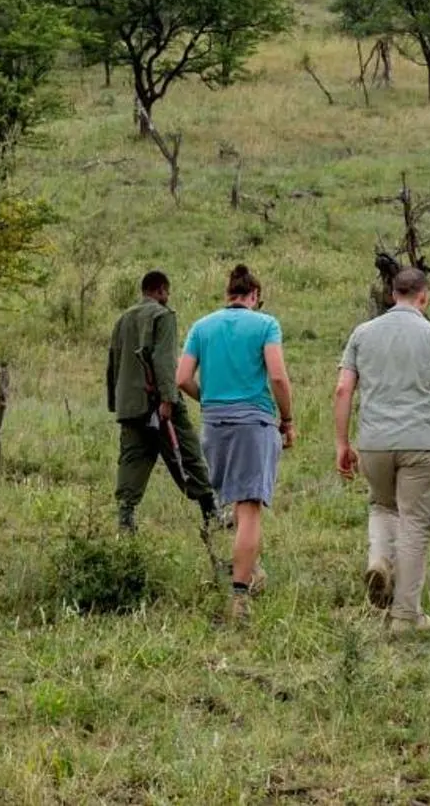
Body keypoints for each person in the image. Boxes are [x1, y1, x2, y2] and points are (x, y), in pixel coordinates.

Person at [332, 265, 430, 633]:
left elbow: (343, 389)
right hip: (420, 443)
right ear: (424, 296)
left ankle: (378, 559)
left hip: (373, 443)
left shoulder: (362, 333)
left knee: (382, 505)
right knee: (415, 524)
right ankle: (406, 615)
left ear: (393, 295)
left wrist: (343, 442)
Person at [178, 263, 295, 619]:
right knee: (249, 510)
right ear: (254, 296)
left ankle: (248, 569)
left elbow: (182, 378)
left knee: (229, 502)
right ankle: (240, 594)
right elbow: (277, 375)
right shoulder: (265, 324)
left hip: (214, 424)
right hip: (253, 422)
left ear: (228, 295)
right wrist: (287, 419)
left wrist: (210, 399)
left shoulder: (202, 326)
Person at [105, 269, 217, 535]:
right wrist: (168, 399)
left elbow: (113, 363)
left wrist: (116, 402)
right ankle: (211, 510)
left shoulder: (123, 319)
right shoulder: (162, 316)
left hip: (129, 405)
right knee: (188, 453)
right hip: (159, 401)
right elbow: (164, 360)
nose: (168, 297)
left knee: (132, 459)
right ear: (160, 291)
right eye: (167, 292)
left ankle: (126, 516)